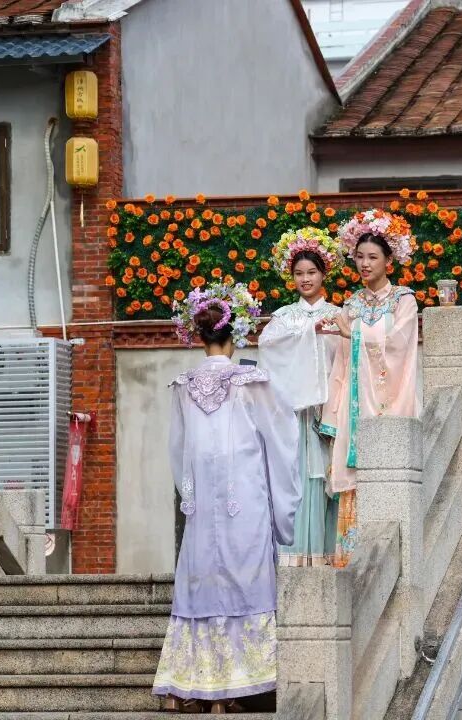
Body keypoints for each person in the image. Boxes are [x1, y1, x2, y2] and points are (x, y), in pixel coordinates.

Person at [153, 283, 301, 714]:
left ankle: (189, 686)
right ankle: (237, 686)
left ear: (199, 336)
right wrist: (283, 511)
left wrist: (191, 497)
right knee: (246, 580)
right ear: (235, 334)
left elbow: (178, 452)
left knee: (201, 583)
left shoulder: (183, 385)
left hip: (203, 507)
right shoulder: (253, 382)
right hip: (246, 501)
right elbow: (283, 444)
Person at [318, 210, 420, 568]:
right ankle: (351, 562)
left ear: (389, 260)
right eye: (359, 256)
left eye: (373, 257)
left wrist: (356, 333)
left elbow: (400, 345)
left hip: (391, 397)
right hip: (355, 402)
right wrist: (332, 413)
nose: (364, 263)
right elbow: (341, 363)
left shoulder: (404, 300)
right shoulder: (352, 305)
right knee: (354, 482)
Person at [258, 227, 346, 567]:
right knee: (294, 480)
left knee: (327, 479)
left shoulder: (338, 314)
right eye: (299, 273)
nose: (305, 279)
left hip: (329, 411)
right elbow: (270, 351)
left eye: (311, 272)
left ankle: (327, 556)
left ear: (324, 274)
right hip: (294, 415)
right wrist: (308, 332)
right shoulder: (283, 318)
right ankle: (291, 557)